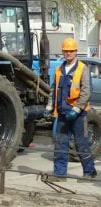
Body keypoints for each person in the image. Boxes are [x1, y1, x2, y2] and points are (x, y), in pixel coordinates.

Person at [44, 38, 97, 182]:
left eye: (71, 51)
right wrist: (49, 106)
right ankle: (60, 174)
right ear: (63, 52)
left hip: (79, 115)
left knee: (82, 144)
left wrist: (77, 109)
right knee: (60, 145)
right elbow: (53, 90)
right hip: (62, 114)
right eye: (66, 51)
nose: (68, 53)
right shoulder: (59, 69)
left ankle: (89, 172)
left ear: (75, 52)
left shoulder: (82, 69)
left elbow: (86, 92)